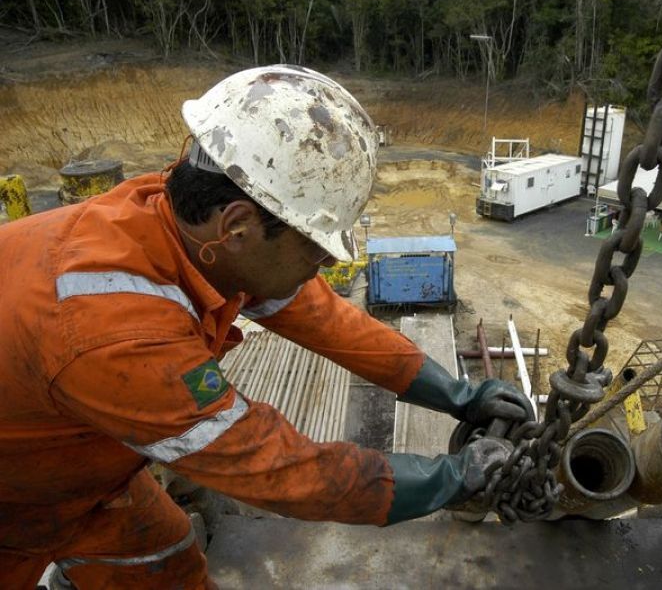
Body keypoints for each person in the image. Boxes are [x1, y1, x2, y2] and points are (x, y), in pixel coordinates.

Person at [0, 65, 533, 589]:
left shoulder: (179, 226)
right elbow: (273, 467)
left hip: (82, 473)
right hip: (16, 507)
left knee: (170, 563)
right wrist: (452, 479)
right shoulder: (113, 328)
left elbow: (331, 322)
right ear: (237, 226)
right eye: (314, 246)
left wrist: (457, 395)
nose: (326, 266)